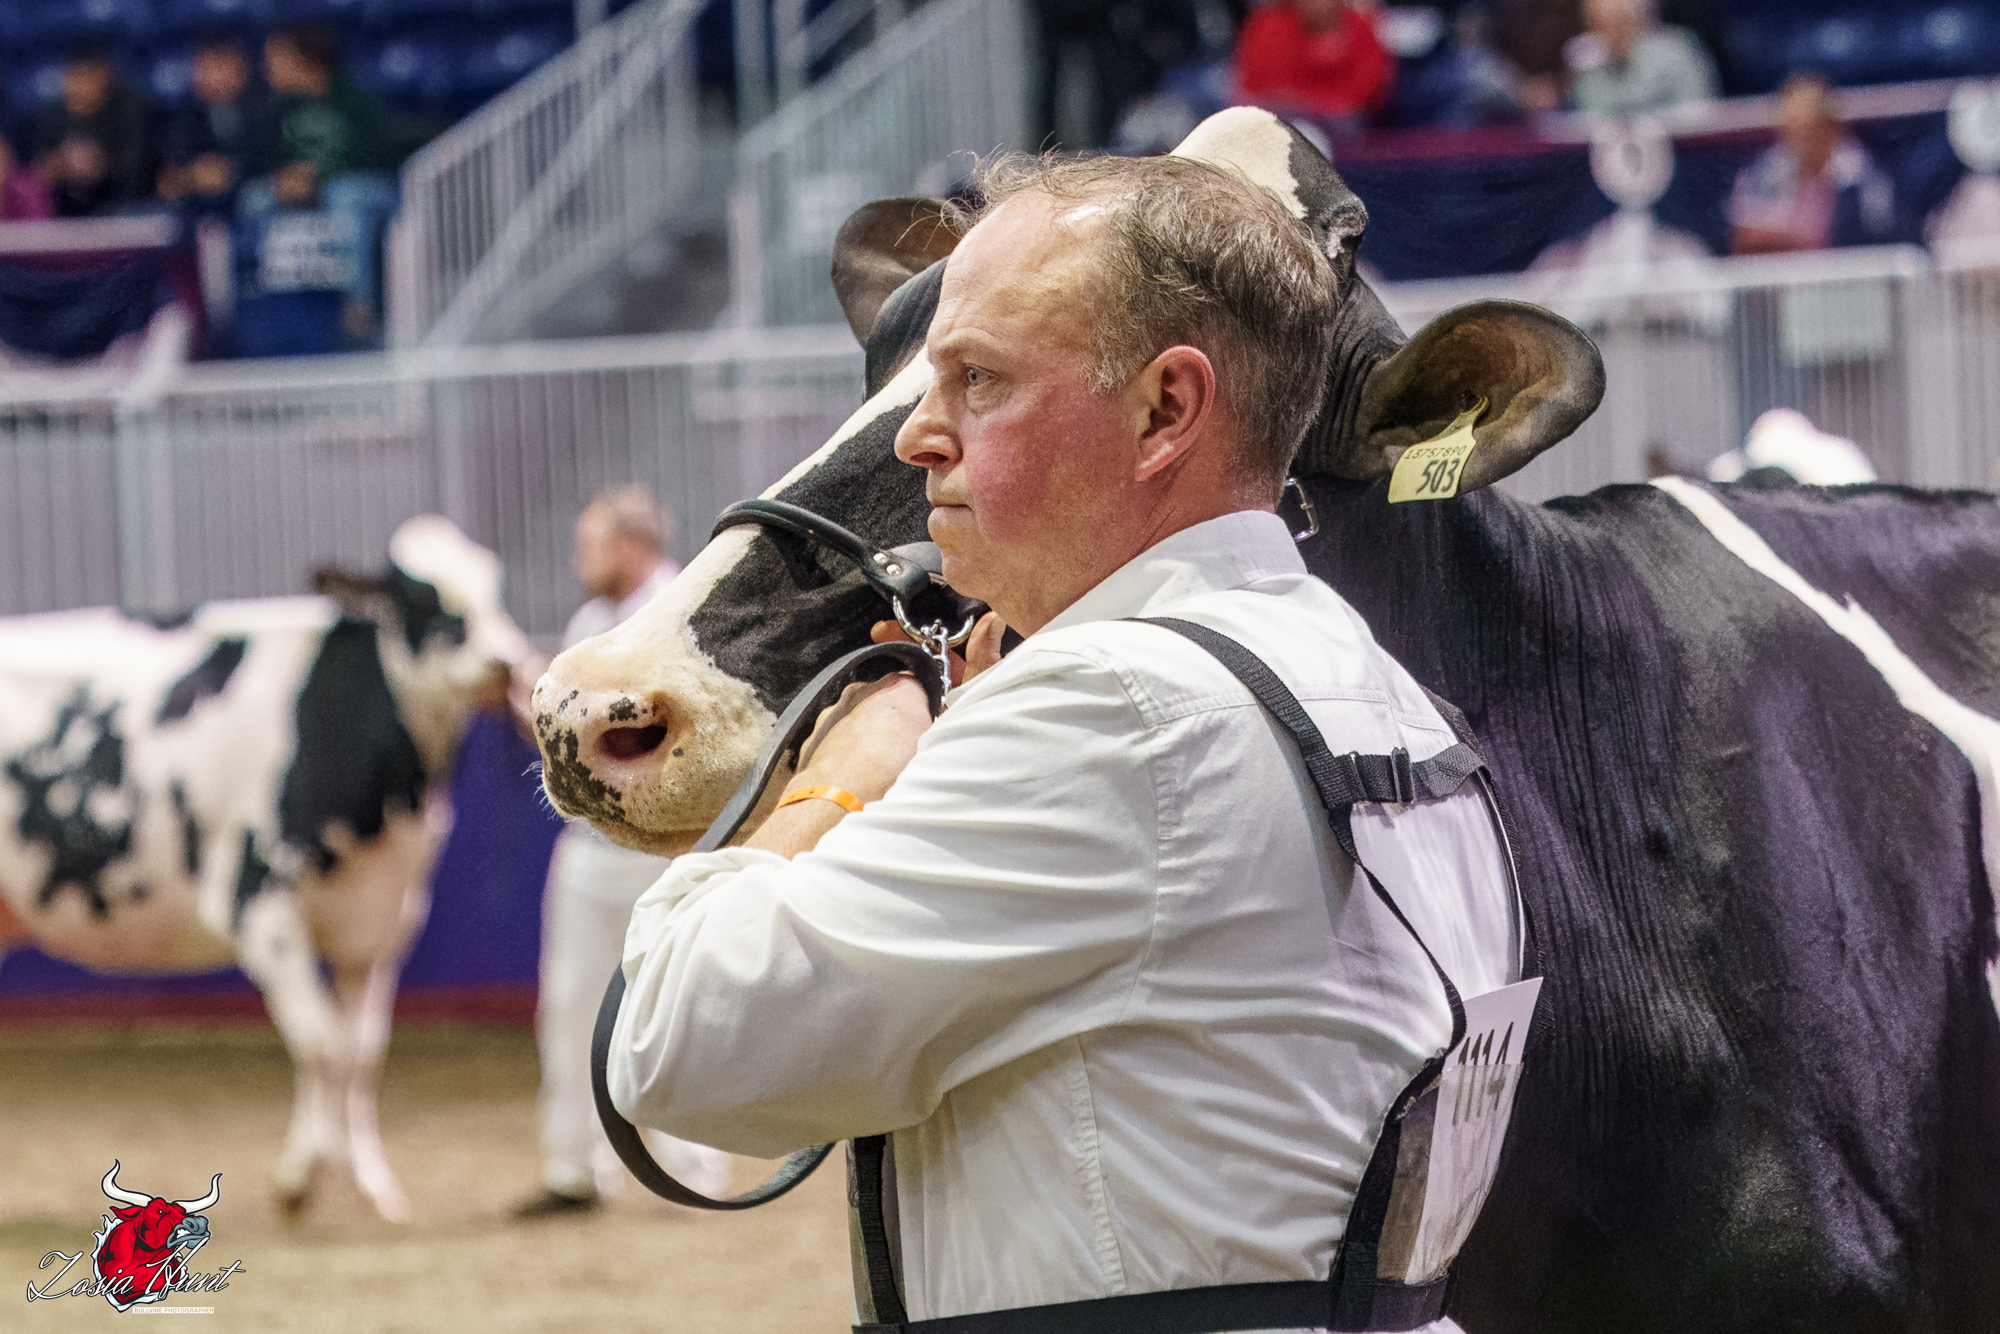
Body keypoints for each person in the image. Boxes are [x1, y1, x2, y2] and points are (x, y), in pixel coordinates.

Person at [604, 154, 1523, 1327]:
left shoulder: (1114, 709)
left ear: (1164, 410)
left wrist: (847, 773)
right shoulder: (1382, 693)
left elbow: (675, 1041)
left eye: (976, 378)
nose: (915, 436)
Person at [512, 486, 734, 1219]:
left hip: (663, 846)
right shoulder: (591, 621)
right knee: (570, 1007)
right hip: (589, 843)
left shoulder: (679, 607)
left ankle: (693, 1169)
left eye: (594, 543)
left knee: (676, 1005)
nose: (582, 558)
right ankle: (572, 1168)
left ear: (634, 546)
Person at [244, 23, 401, 343]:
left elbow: (371, 155)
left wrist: (316, 177)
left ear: (304, 59)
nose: (267, 69)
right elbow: (264, 157)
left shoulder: (353, 98)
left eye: (275, 59)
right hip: (309, 189)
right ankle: (267, 301)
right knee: (254, 198)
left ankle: (358, 308)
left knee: (345, 196)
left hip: (367, 187)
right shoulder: (277, 107)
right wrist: (282, 177)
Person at [1729, 74, 1895, 254]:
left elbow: (1870, 241)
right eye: (1789, 132)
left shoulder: (1862, 177)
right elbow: (1743, 241)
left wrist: (1787, 240)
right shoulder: (1768, 168)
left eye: (1806, 132)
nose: (1796, 143)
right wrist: (1796, 241)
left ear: (1831, 127)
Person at [159, 34, 277, 216]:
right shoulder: (185, 114)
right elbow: (171, 168)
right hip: (197, 202)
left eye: (220, 65)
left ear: (243, 69)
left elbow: (267, 158)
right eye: (204, 66)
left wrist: (232, 172)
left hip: (251, 197)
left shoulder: (263, 108)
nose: (210, 74)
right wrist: (192, 175)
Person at [31, 43, 153, 218]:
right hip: (66, 215)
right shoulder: (53, 113)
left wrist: (100, 166)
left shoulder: (130, 110)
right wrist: (60, 167)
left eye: (86, 76)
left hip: (125, 210)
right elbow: (37, 170)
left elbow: (140, 171)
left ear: (104, 76)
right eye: (73, 76)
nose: (77, 86)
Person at [1233, 0, 1393, 127]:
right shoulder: (1271, 26)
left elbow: (1368, 91)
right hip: (1282, 122)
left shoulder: (1360, 27)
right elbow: (1265, 90)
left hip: (1346, 127)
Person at [1565, 0, 1716, 118]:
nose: (1612, 33)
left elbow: (1699, 114)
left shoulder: (1677, 51)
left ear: (1638, 19)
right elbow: (1587, 119)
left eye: (1620, 22)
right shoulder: (1585, 65)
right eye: (1600, 24)